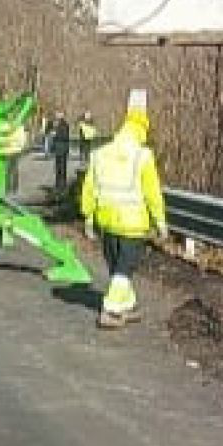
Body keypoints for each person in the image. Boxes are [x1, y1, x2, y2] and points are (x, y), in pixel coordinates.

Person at [81, 108, 167, 328]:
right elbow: (152, 192)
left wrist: (88, 217)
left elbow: (89, 188)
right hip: (133, 223)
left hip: (106, 220)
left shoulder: (99, 154)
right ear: (142, 130)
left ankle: (127, 305)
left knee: (117, 267)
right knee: (124, 269)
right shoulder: (142, 156)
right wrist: (160, 221)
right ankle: (111, 310)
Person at [0, 119, 29, 195]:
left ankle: (13, 188)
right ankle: (9, 188)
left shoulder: (19, 128)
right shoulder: (4, 125)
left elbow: (21, 141)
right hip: (8, 151)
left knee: (12, 170)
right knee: (9, 170)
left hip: (14, 151)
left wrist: (8, 141)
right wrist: (12, 141)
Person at [50, 113, 71, 192]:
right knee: (58, 168)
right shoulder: (56, 124)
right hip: (58, 149)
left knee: (62, 168)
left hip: (62, 148)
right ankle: (58, 184)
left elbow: (65, 136)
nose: (56, 115)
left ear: (62, 115)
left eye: (58, 114)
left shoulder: (64, 124)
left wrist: (56, 134)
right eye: (56, 114)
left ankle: (62, 185)